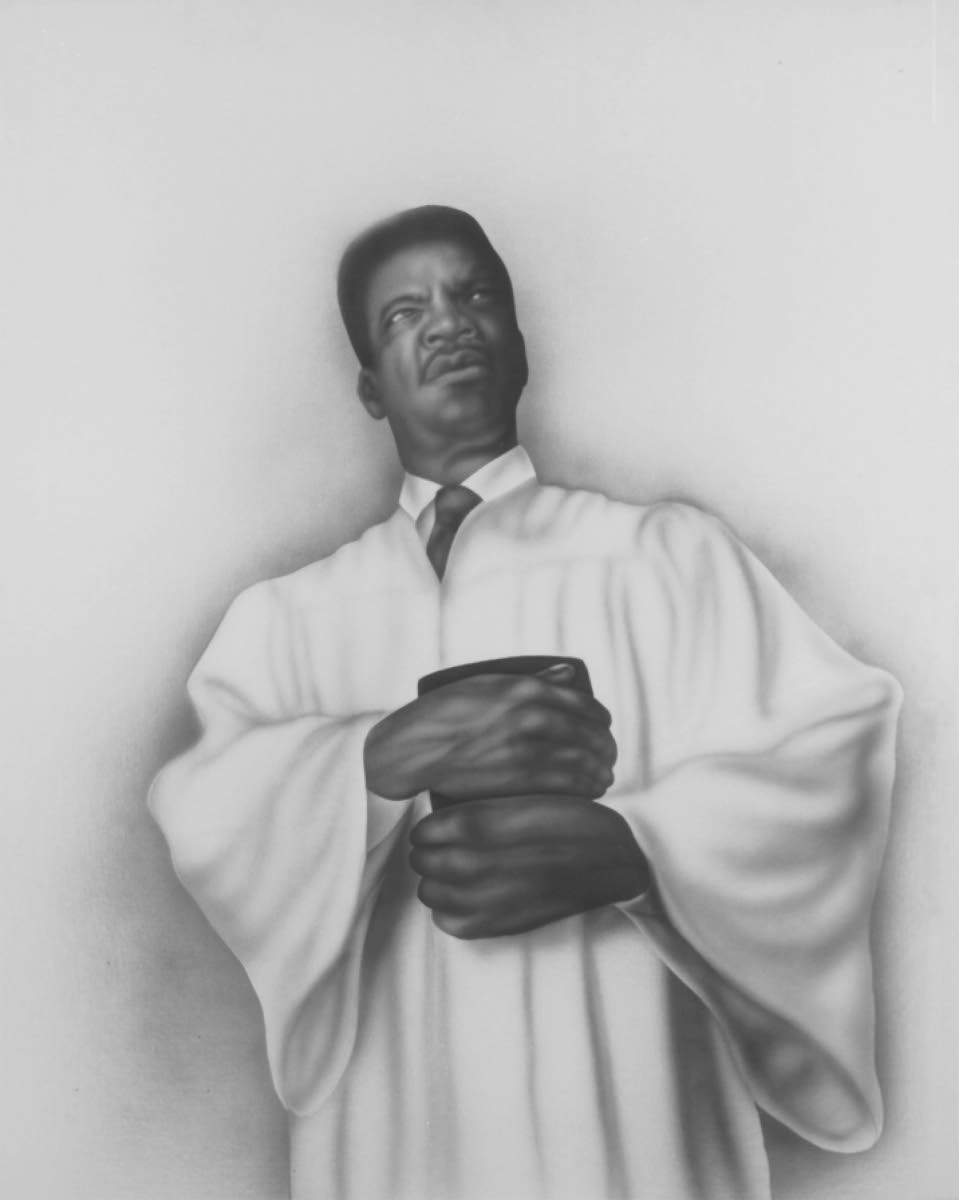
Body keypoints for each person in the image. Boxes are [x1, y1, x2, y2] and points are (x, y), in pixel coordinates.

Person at [148, 205, 902, 1200]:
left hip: (635, 1134)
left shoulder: (667, 560)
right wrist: (378, 757)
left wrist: (640, 853)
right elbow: (206, 808)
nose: (446, 322)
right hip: (397, 1136)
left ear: (517, 340)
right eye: (403, 313)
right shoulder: (287, 618)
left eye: (474, 295)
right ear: (369, 387)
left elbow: (825, 755)